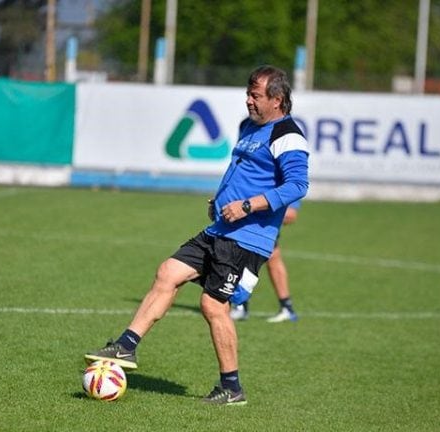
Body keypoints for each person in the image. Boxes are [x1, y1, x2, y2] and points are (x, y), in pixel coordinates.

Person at [84, 65, 309, 406]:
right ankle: (126, 346)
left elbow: (297, 185)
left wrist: (247, 206)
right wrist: (220, 201)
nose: (248, 101)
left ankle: (232, 388)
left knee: (212, 305)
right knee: (168, 272)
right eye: (248, 94)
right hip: (221, 228)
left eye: (256, 96)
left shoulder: (287, 135)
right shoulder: (249, 127)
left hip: (247, 238)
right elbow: (242, 171)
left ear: (277, 99)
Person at [230, 200, 300, 323]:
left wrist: (251, 210)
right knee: (271, 257)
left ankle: (241, 306)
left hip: (262, 224)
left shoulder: (285, 183)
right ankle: (242, 305)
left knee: (249, 255)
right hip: (255, 222)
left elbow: (291, 215)